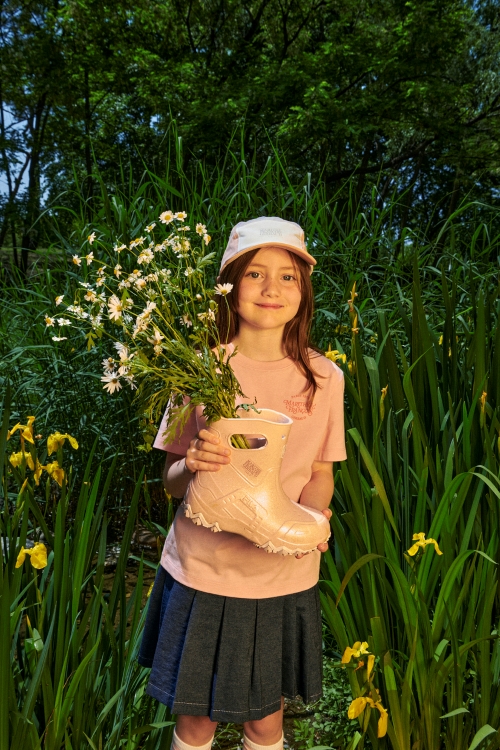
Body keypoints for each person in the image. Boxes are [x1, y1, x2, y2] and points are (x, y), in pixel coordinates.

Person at [138, 216, 347, 750]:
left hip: (280, 576)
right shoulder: (200, 367)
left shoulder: (325, 378)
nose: (271, 288)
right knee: (196, 723)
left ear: (303, 291)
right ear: (229, 289)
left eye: (288, 276)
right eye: (255, 274)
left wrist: (313, 521)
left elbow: (320, 474)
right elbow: (172, 482)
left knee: (264, 721)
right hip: (203, 571)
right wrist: (195, 463)